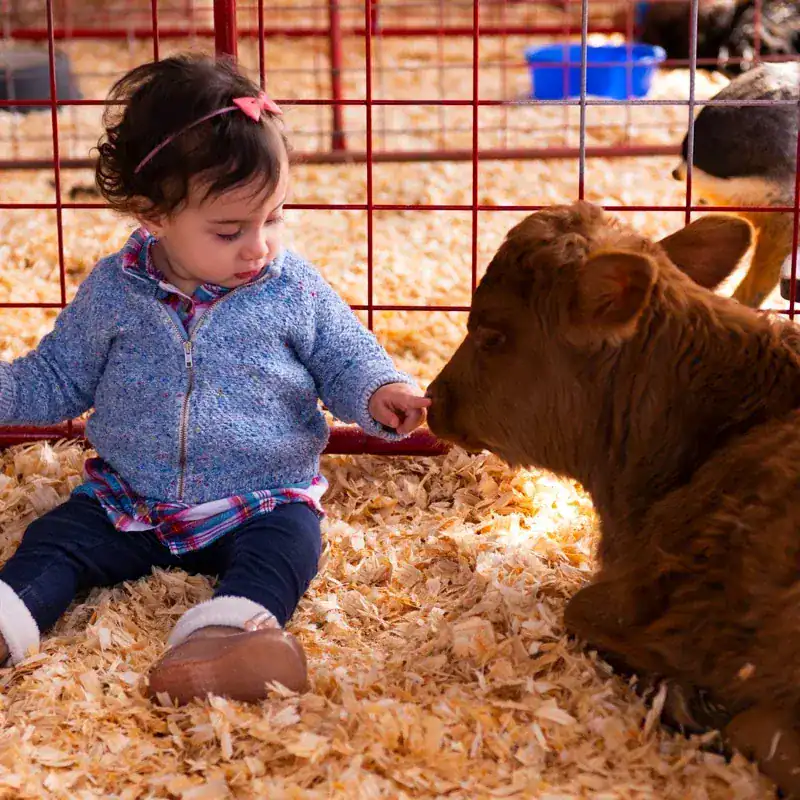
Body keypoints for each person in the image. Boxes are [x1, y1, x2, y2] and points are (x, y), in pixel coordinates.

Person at [0, 53, 430, 704]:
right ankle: (11, 621)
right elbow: (58, 376)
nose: (258, 246)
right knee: (54, 542)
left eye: (274, 217)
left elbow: (346, 357)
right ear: (153, 215)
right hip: (130, 501)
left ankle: (225, 642)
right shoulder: (115, 293)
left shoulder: (293, 288)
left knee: (288, 549)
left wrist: (380, 393)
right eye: (230, 229)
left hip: (261, 498)